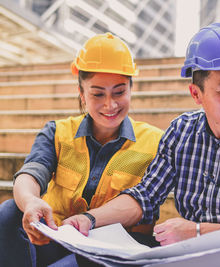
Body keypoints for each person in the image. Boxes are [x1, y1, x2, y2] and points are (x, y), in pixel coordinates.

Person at [62, 22, 220, 256]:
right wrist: (89, 219)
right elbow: (145, 195)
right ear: (196, 94)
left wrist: (197, 232)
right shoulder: (181, 132)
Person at [0, 32, 164, 267]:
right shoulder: (58, 132)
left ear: (131, 88)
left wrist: (89, 220)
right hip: (56, 238)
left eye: (119, 92)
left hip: (113, 250)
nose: (110, 104)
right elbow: (32, 172)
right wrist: (30, 201)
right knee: (8, 212)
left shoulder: (156, 142)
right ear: (82, 94)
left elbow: (143, 203)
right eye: (98, 94)